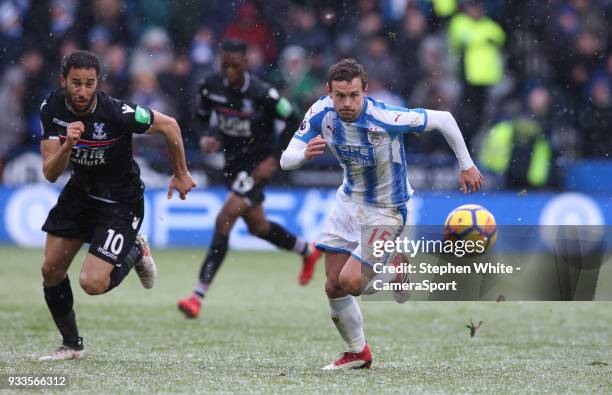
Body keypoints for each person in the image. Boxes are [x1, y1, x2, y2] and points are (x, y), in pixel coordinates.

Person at [280, 58, 483, 370]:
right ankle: (358, 352)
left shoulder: (386, 116)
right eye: (340, 96)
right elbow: (286, 159)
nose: (346, 103)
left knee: (351, 282)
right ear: (329, 93)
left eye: (353, 96)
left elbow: (444, 119)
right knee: (332, 285)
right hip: (348, 204)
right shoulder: (321, 112)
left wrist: (466, 164)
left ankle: (394, 273)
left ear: (365, 91)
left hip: (388, 210)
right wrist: (303, 154)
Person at [38, 50, 196, 360]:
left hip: (120, 201)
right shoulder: (52, 107)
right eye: (76, 83)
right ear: (63, 81)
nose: (82, 91)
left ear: (98, 82)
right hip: (80, 194)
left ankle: (136, 250)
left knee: (93, 284)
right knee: (51, 270)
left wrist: (181, 172)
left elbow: (170, 125)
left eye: (89, 83)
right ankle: (71, 345)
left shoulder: (117, 112)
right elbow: (50, 173)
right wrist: (68, 145)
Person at [177, 39, 321, 319]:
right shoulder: (210, 87)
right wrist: (209, 136)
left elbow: (293, 119)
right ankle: (307, 250)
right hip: (233, 164)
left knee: (224, 219)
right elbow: (201, 116)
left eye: (235, 65)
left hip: (257, 165)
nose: (229, 71)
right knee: (258, 227)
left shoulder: (263, 93)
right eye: (225, 65)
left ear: (246, 63)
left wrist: (273, 159)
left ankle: (197, 296)